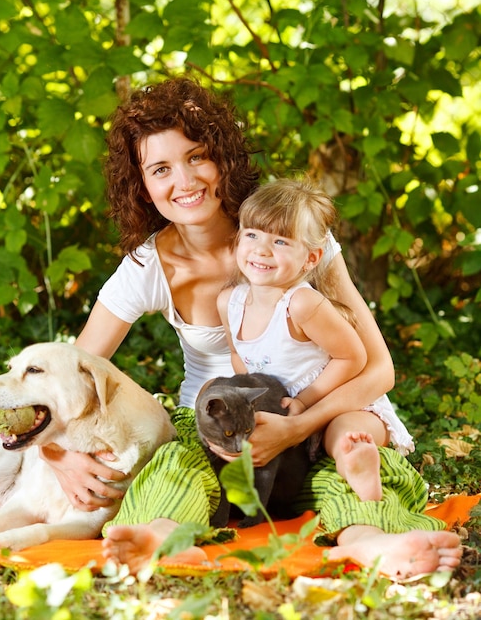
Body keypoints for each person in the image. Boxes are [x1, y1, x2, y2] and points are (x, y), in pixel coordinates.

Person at [38, 77, 462, 579]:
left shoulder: (291, 231)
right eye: (160, 168)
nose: (185, 180)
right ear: (143, 185)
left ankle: (371, 542)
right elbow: (75, 370)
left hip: (319, 415)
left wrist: (298, 426)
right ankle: (161, 531)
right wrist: (55, 451)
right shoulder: (148, 266)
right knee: (179, 465)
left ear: (222, 157)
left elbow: (380, 369)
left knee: (356, 465)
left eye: (197, 156)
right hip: (217, 426)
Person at [216, 177, 415, 503]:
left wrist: (307, 402)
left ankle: (355, 459)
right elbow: (239, 356)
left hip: (343, 405)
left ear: (311, 259)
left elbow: (352, 358)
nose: (262, 250)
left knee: (342, 433)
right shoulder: (229, 302)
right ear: (238, 240)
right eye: (252, 235)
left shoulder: (301, 304)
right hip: (289, 412)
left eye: (281, 242)